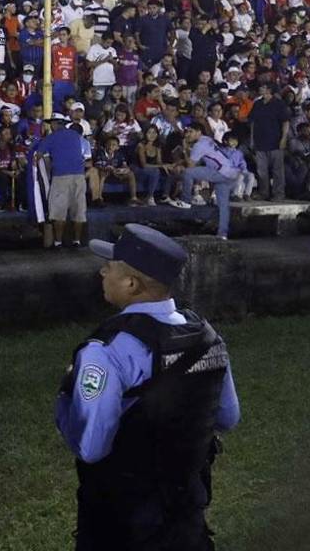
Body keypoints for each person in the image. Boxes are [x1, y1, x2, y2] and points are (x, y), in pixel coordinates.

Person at [58, 224, 241, 550]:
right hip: (187, 517)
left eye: (109, 267)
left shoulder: (105, 352)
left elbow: (91, 448)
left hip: (121, 523)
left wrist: (66, 404)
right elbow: (228, 417)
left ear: (131, 284)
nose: (102, 272)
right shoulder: (206, 335)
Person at [170, 123, 239, 240]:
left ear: (199, 132)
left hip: (221, 172)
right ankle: (222, 234)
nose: (188, 135)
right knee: (223, 205)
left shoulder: (199, 145)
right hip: (230, 172)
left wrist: (185, 149)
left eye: (191, 131)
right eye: (187, 132)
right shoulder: (207, 139)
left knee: (187, 173)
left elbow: (191, 166)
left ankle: (186, 201)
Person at [36, 113, 90, 247]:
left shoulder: (50, 138)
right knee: (79, 210)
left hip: (60, 176)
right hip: (79, 176)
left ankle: (58, 242)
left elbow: (38, 156)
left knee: (58, 211)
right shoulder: (78, 136)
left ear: (55, 124)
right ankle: (76, 241)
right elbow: (86, 158)